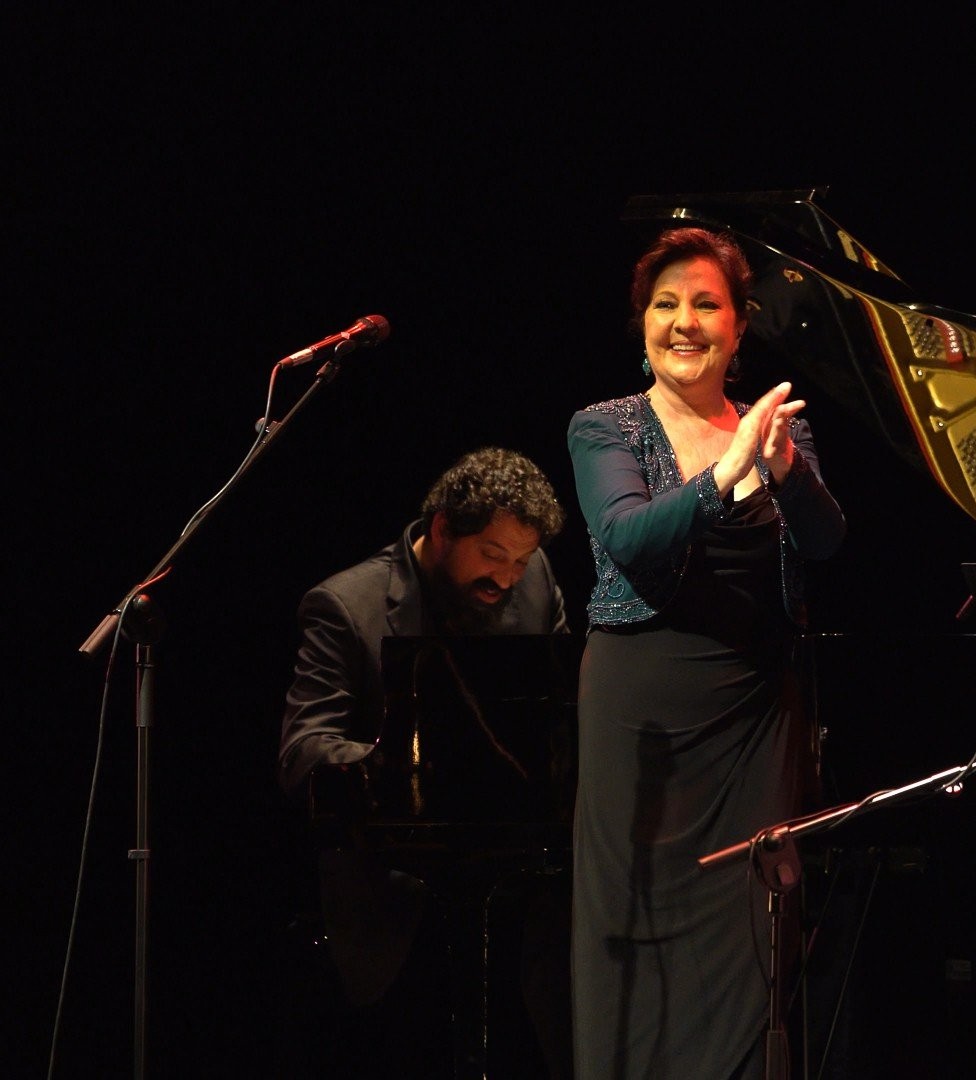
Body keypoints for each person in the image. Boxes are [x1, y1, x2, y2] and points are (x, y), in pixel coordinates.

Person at [567, 225, 846, 1078]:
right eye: (665, 304)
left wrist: (788, 470)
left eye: (705, 305)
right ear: (641, 322)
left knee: (753, 933)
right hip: (641, 714)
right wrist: (727, 473)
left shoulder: (776, 430)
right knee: (634, 932)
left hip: (755, 716)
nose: (683, 322)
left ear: (738, 324)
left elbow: (828, 544)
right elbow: (631, 537)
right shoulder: (604, 425)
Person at [274, 446, 572, 1077]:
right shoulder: (344, 606)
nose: (510, 578)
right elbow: (304, 751)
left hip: (520, 902)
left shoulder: (537, 580)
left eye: (521, 560)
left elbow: (563, 711)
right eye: (493, 556)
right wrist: (408, 756)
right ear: (442, 529)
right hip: (397, 897)